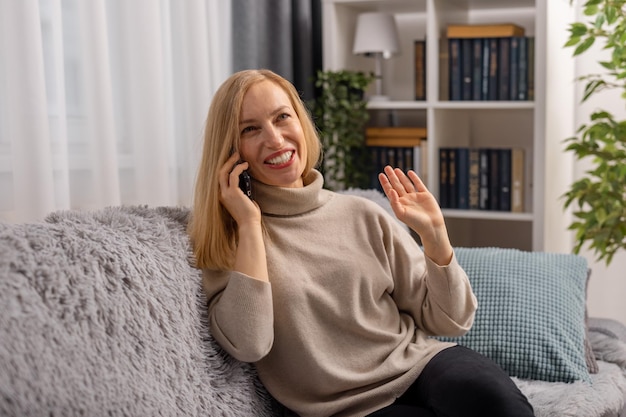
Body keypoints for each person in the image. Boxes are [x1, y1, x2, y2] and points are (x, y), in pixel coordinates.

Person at [188, 69, 535, 417]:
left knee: (499, 404)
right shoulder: (231, 240)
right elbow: (249, 344)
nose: (276, 139)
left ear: (301, 122)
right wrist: (250, 224)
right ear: (231, 151)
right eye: (251, 129)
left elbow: (450, 321)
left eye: (282, 117)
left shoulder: (362, 214)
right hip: (348, 407)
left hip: (421, 365)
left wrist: (434, 236)